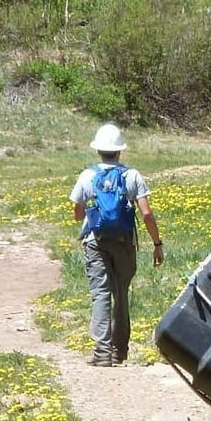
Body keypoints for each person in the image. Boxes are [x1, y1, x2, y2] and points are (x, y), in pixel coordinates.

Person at [69, 124, 163, 366]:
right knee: (120, 294)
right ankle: (120, 350)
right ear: (119, 151)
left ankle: (102, 352)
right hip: (124, 242)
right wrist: (156, 243)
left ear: (98, 150)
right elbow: (147, 214)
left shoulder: (87, 176)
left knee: (100, 293)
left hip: (94, 242)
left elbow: (78, 216)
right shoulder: (132, 175)